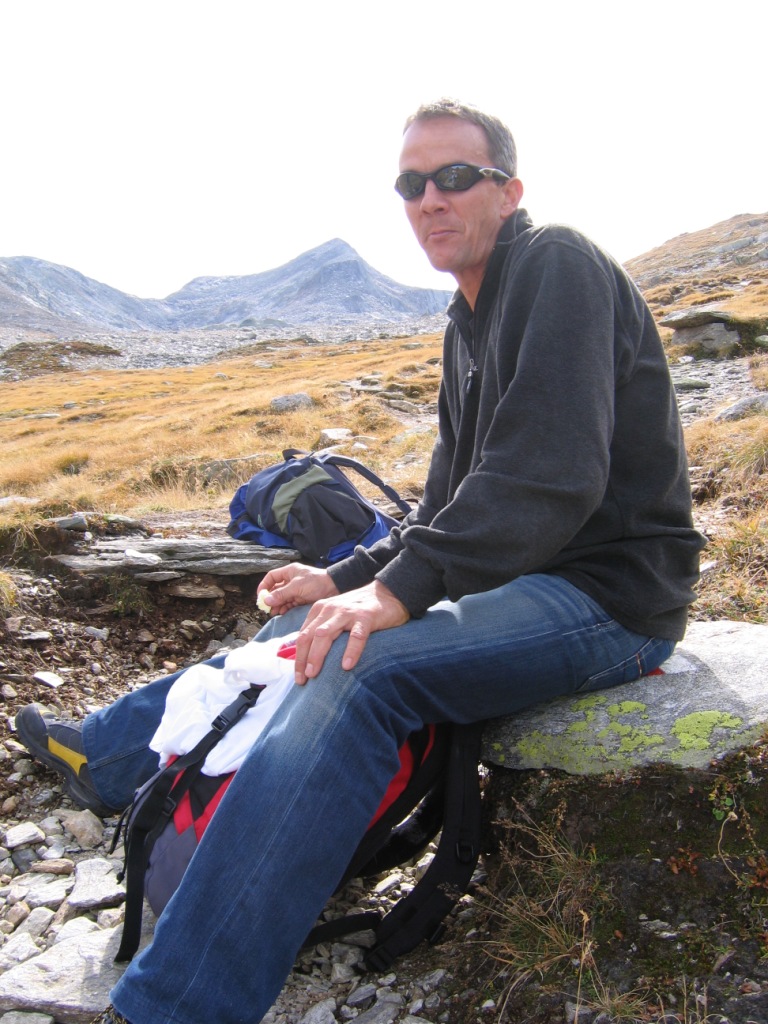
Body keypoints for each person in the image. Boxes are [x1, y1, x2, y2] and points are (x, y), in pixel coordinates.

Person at [15, 99, 705, 1024]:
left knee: (359, 667)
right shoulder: (467, 320)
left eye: (454, 176)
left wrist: (396, 594)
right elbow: (447, 501)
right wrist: (341, 579)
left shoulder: (558, 265)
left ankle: (176, 1005)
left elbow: (549, 477)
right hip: (524, 577)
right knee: (313, 622)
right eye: (411, 184)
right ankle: (106, 757)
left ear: (509, 190)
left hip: (609, 597)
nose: (430, 199)